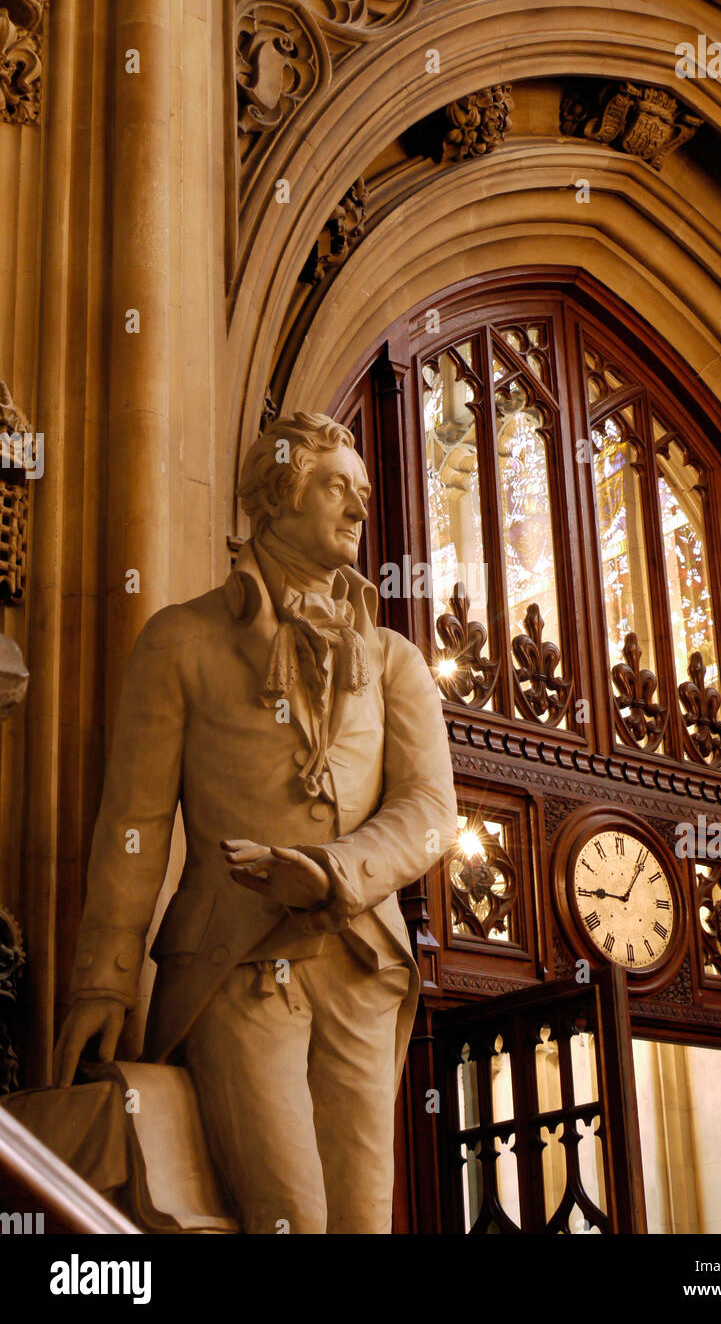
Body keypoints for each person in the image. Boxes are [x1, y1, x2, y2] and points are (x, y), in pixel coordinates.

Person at [53, 412, 457, 1233]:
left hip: (359, 963)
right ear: (277, 495)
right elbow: (132, 824)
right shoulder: (181, 641)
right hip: (233, 960)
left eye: (364, 494)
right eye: (337, 488)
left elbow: (431, 812)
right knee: (289, 1219)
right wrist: (105, 978)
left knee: (361, 1224)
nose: (358, 511)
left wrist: (337, 871)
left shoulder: (393, 661)